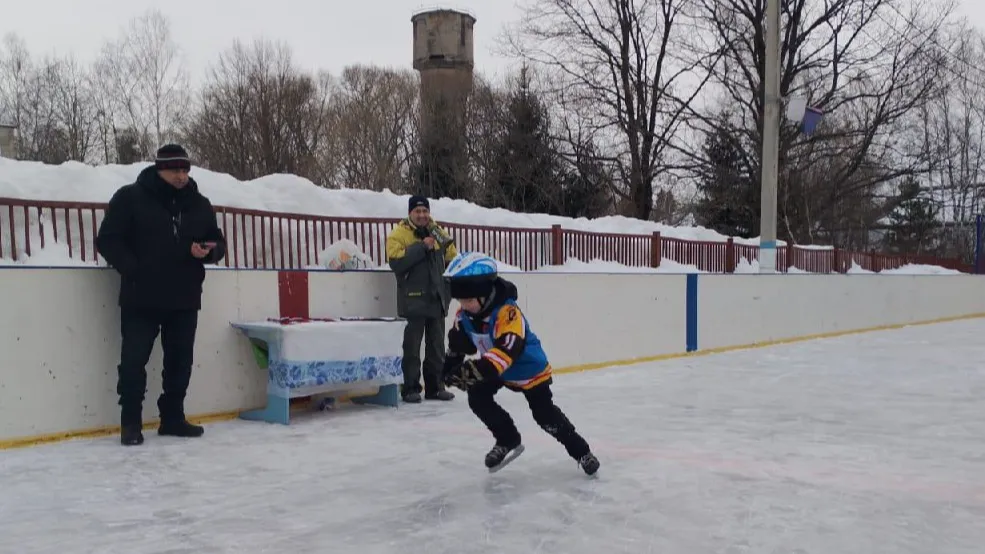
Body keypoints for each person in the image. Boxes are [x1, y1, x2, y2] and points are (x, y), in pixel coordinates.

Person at [95, 143, 227, 446]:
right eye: (174, 170)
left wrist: (208, 252)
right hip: (142, 296)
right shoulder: (130, 198)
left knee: (180, 361)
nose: (181, 176)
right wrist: (133, 269)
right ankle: (130, 423)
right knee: (133, 362)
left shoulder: (199, 203)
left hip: (184, 296)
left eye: (185, 170)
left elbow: (217, 243)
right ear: (159, 169)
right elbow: (108, 239)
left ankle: (173, 419)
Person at [440, 252, 601, 475]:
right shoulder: (464, 315)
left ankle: (582, 452)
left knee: (545, 417)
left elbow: (507, 351)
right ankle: (507, 439)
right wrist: (448, 369)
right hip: (499, 370)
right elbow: (460, 344)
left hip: (529, 370)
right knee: (477, 397)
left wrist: (471, 371)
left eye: (468, 300)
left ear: (484, 294)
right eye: (461, 301)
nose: (464, 306)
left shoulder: (508, 313)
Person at [385, 195, 458, 403]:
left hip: (436, 299)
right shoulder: (398, 234)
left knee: (436, 347)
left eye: (425, 211)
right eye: (417, 212)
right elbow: (396, 263)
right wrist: (421, 247)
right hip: (413, 300)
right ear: (410, 213)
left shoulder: (438, 232)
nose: (422, 215)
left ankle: (435, 387)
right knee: (412, 348)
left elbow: (452, 258)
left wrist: (447, 290)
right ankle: (410, 388)